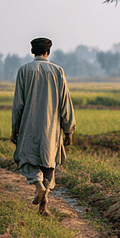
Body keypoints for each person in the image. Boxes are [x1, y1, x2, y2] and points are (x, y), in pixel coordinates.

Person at [10, 37, 76, 215]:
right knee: (49, 165)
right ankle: (44, 206)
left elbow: (18, 104)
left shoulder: (24, 71)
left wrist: (14, 129)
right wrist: (68, 130)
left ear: (33, 51)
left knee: (28, 160)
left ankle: (38, 186)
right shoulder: (58, 71)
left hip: (28, 127)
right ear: (48, 51)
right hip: (52, 129)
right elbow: (65, 103)